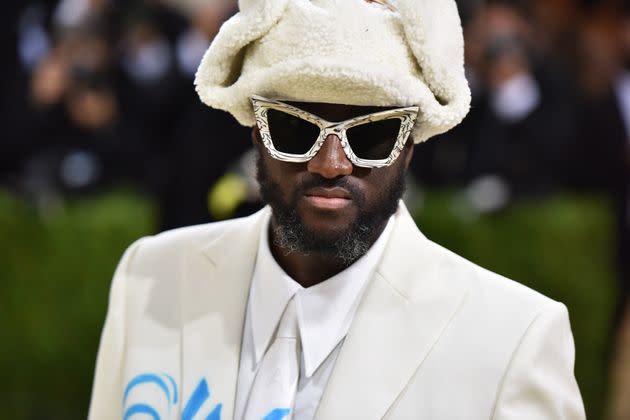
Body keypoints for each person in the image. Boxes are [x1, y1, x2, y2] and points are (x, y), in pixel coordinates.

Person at [88, 0, 586, 418]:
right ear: (255, 130)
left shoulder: (512, 340)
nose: (331, 162)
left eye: (372, 133)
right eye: (294, 128)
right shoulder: (149, 279)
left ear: (411, 142)